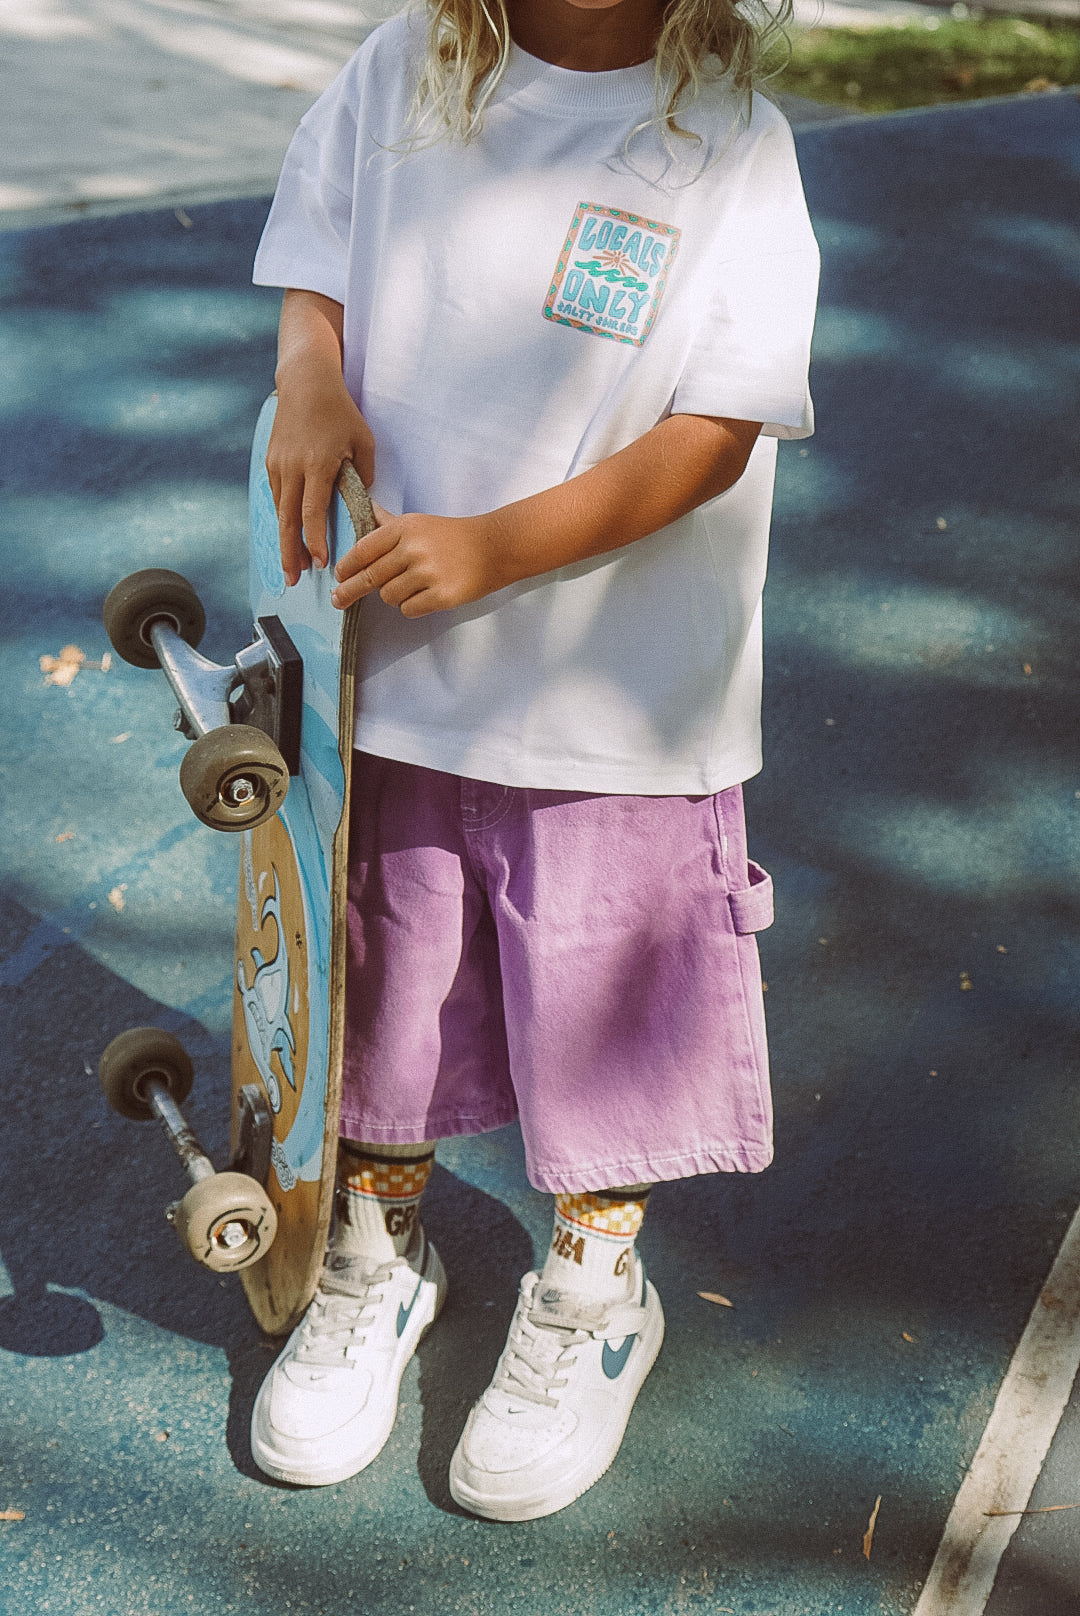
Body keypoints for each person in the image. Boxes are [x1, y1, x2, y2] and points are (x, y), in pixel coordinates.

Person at [247, 0, 819, 1520]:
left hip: (617, 701)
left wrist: (500, 547)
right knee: (392, 975)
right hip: (397, 669)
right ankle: (380, 1250)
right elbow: (316, 255)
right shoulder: (406, 70)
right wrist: (311, 381)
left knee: (605, 992)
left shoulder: (734, 143)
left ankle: (593, 1289)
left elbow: (717, 429)